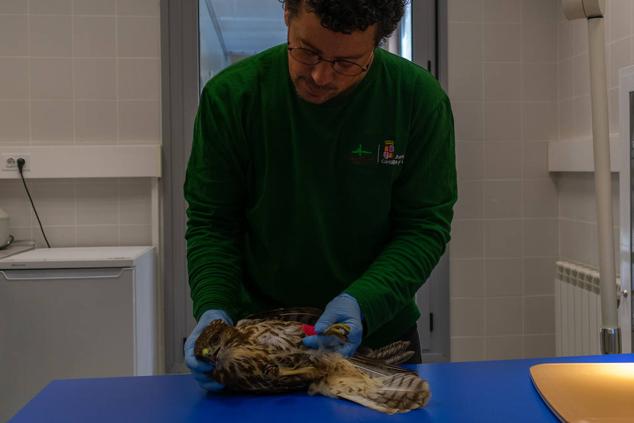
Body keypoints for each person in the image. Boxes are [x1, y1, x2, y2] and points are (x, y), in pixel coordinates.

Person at [183, 0, 456, 392]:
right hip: (257, 348)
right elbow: (213, 223)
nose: (320, 75)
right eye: (306, 50)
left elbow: (423, 227)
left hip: (378, 334)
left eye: (347, 63)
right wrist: (213, 310)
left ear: (378, 43)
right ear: (286, 17)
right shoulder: (232, 97)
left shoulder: (417, 100)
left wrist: (362, 303)